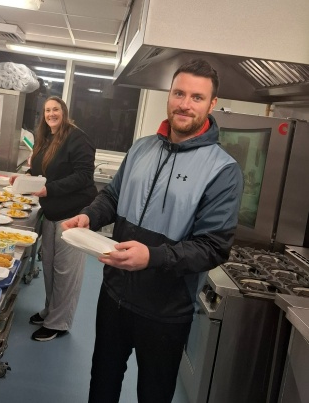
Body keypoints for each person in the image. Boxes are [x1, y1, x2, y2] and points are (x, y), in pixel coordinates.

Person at [62, 59, 243, 402]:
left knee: (154, 395)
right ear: (169, 95)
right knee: (102, 383)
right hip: (114, 294)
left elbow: (213, 247)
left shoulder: (222, 170)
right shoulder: (142, 148)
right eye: (179, 93)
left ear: (212, 104)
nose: (185, 104)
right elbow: (112, 197)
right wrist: (89, 216)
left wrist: (152, 257)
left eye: (196, 97)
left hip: (166, 312)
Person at [25, 96, 97, 341]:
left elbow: (84, 176)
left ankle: (59, 323)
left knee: (66, 271)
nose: (51, 114)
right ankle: (50, 310)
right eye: (47, 110)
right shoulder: (47, 138)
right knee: (49, 266)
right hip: (52, 212)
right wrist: (26, 177)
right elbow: (41, 170)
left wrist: (49, 189)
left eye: (55, 109)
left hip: (73, 214)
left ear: (64, 112)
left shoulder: (77, 138)